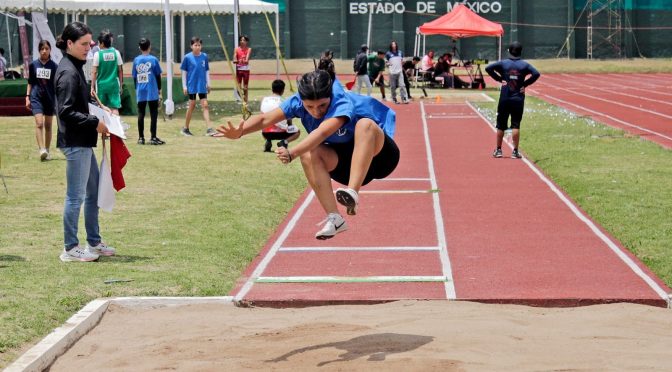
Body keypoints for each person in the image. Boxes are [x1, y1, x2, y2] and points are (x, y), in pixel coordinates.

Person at [216, 70, 400, 240]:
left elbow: (321, 133)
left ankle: (352, 192)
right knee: (310, 154)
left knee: (364, 125)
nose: (316, 111)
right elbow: (265, 119)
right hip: (346, 164)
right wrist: (239, 132)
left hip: (380, 157)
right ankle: (335, 219)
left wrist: (292, 153)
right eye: (310, 107)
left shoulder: (341, 102)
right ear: (302, 100)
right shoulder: (296, 102)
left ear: (330, 97)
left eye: (322, 106)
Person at [54, 21, 116, 262]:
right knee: (76, 196)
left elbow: (79, 105)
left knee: (92, 193)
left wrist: (101, 116)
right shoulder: (68, 72)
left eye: (89, 43)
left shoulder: (75, 66)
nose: (88, 48)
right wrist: (95, 122)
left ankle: (94, 242)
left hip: (82, 141)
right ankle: (70, 247)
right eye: (82, 44)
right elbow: (66, 111)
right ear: (69, 44)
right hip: (75, 142)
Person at [485, 41, 540, 159]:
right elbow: (536, 74)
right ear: (520, 52)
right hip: (518, 99)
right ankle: (515, 151)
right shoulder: (525, 65)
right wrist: (524, 84)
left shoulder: (503, 63)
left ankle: (498, 150)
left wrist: (500, 79)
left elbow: (488, 68)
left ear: (509, 51)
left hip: (505, 98)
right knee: (516, 125)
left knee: (501, 125)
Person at [26, 40, 58, 161]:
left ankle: (47, 151)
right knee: (39, 123)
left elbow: (57, 84)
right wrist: (27, 97)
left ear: (50, 50)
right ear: (39, 50)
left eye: (46, 48)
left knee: (48, 125)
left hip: (49, 98)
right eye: (42, 49)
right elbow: (30, 82)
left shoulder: (54, 66)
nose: (44, 51)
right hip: (36, 97)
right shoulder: (33, 65)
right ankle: (41, 150)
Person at [132, 38, 164, 145]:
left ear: (139, 48)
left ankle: (141, 138)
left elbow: (134, 77)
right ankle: (153, 137)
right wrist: (159, 89)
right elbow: (158, 76)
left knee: (141, 113)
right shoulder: (153, 59)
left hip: (141, 90)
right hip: (152, 90)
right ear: (149, 46)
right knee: (153, 114)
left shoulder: (136, 60)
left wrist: (137, 89)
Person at [180, 36, 214, 136]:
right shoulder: (187, 57)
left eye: (199, 45)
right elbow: (184, 73)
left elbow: (207, 71)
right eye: (195, 45)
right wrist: (184, 86)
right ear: (191, 46)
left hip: (202, 85)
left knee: (205, 105)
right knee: (192, 105)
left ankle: (209, 129)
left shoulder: (204, 56)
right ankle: (185, 128)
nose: (198, 47)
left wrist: (208, 84)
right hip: (192, 85)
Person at [260, 80, 300, 152]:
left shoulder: (264, 100)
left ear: (272, 89)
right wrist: (290, 126)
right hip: (281, 133)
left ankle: (268, 140)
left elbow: (262, 115)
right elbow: (289, 119)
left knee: (266, 124)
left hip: (265, 133)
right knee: (297, 132)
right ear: (282, 90)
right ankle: (284, 142)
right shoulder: (284, 101)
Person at [90, 30, 123, 115]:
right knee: (115, 108)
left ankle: (105, 128)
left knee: (102, 108)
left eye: (98, 43)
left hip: (101, 85)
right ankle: (116, 127)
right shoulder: (116, 53)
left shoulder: (97, 54)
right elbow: (120, 71)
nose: (98, 44)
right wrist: (121, 85)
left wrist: (92, 87)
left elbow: (94, 72)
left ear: (102, 43)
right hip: (114, 85)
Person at [233, 35, 252, 104]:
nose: (242, 41)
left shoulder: (249, 49)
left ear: (246, 42)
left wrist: (244, 60)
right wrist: (237, 60)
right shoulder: (236, 49)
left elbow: (247, 60)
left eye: (244, 40)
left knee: (245, 87)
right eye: (241, 40)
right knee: (238, 87)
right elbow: (234, 59)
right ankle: (241, 98)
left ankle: (245, 101)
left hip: (246, 70)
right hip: (239, 70)